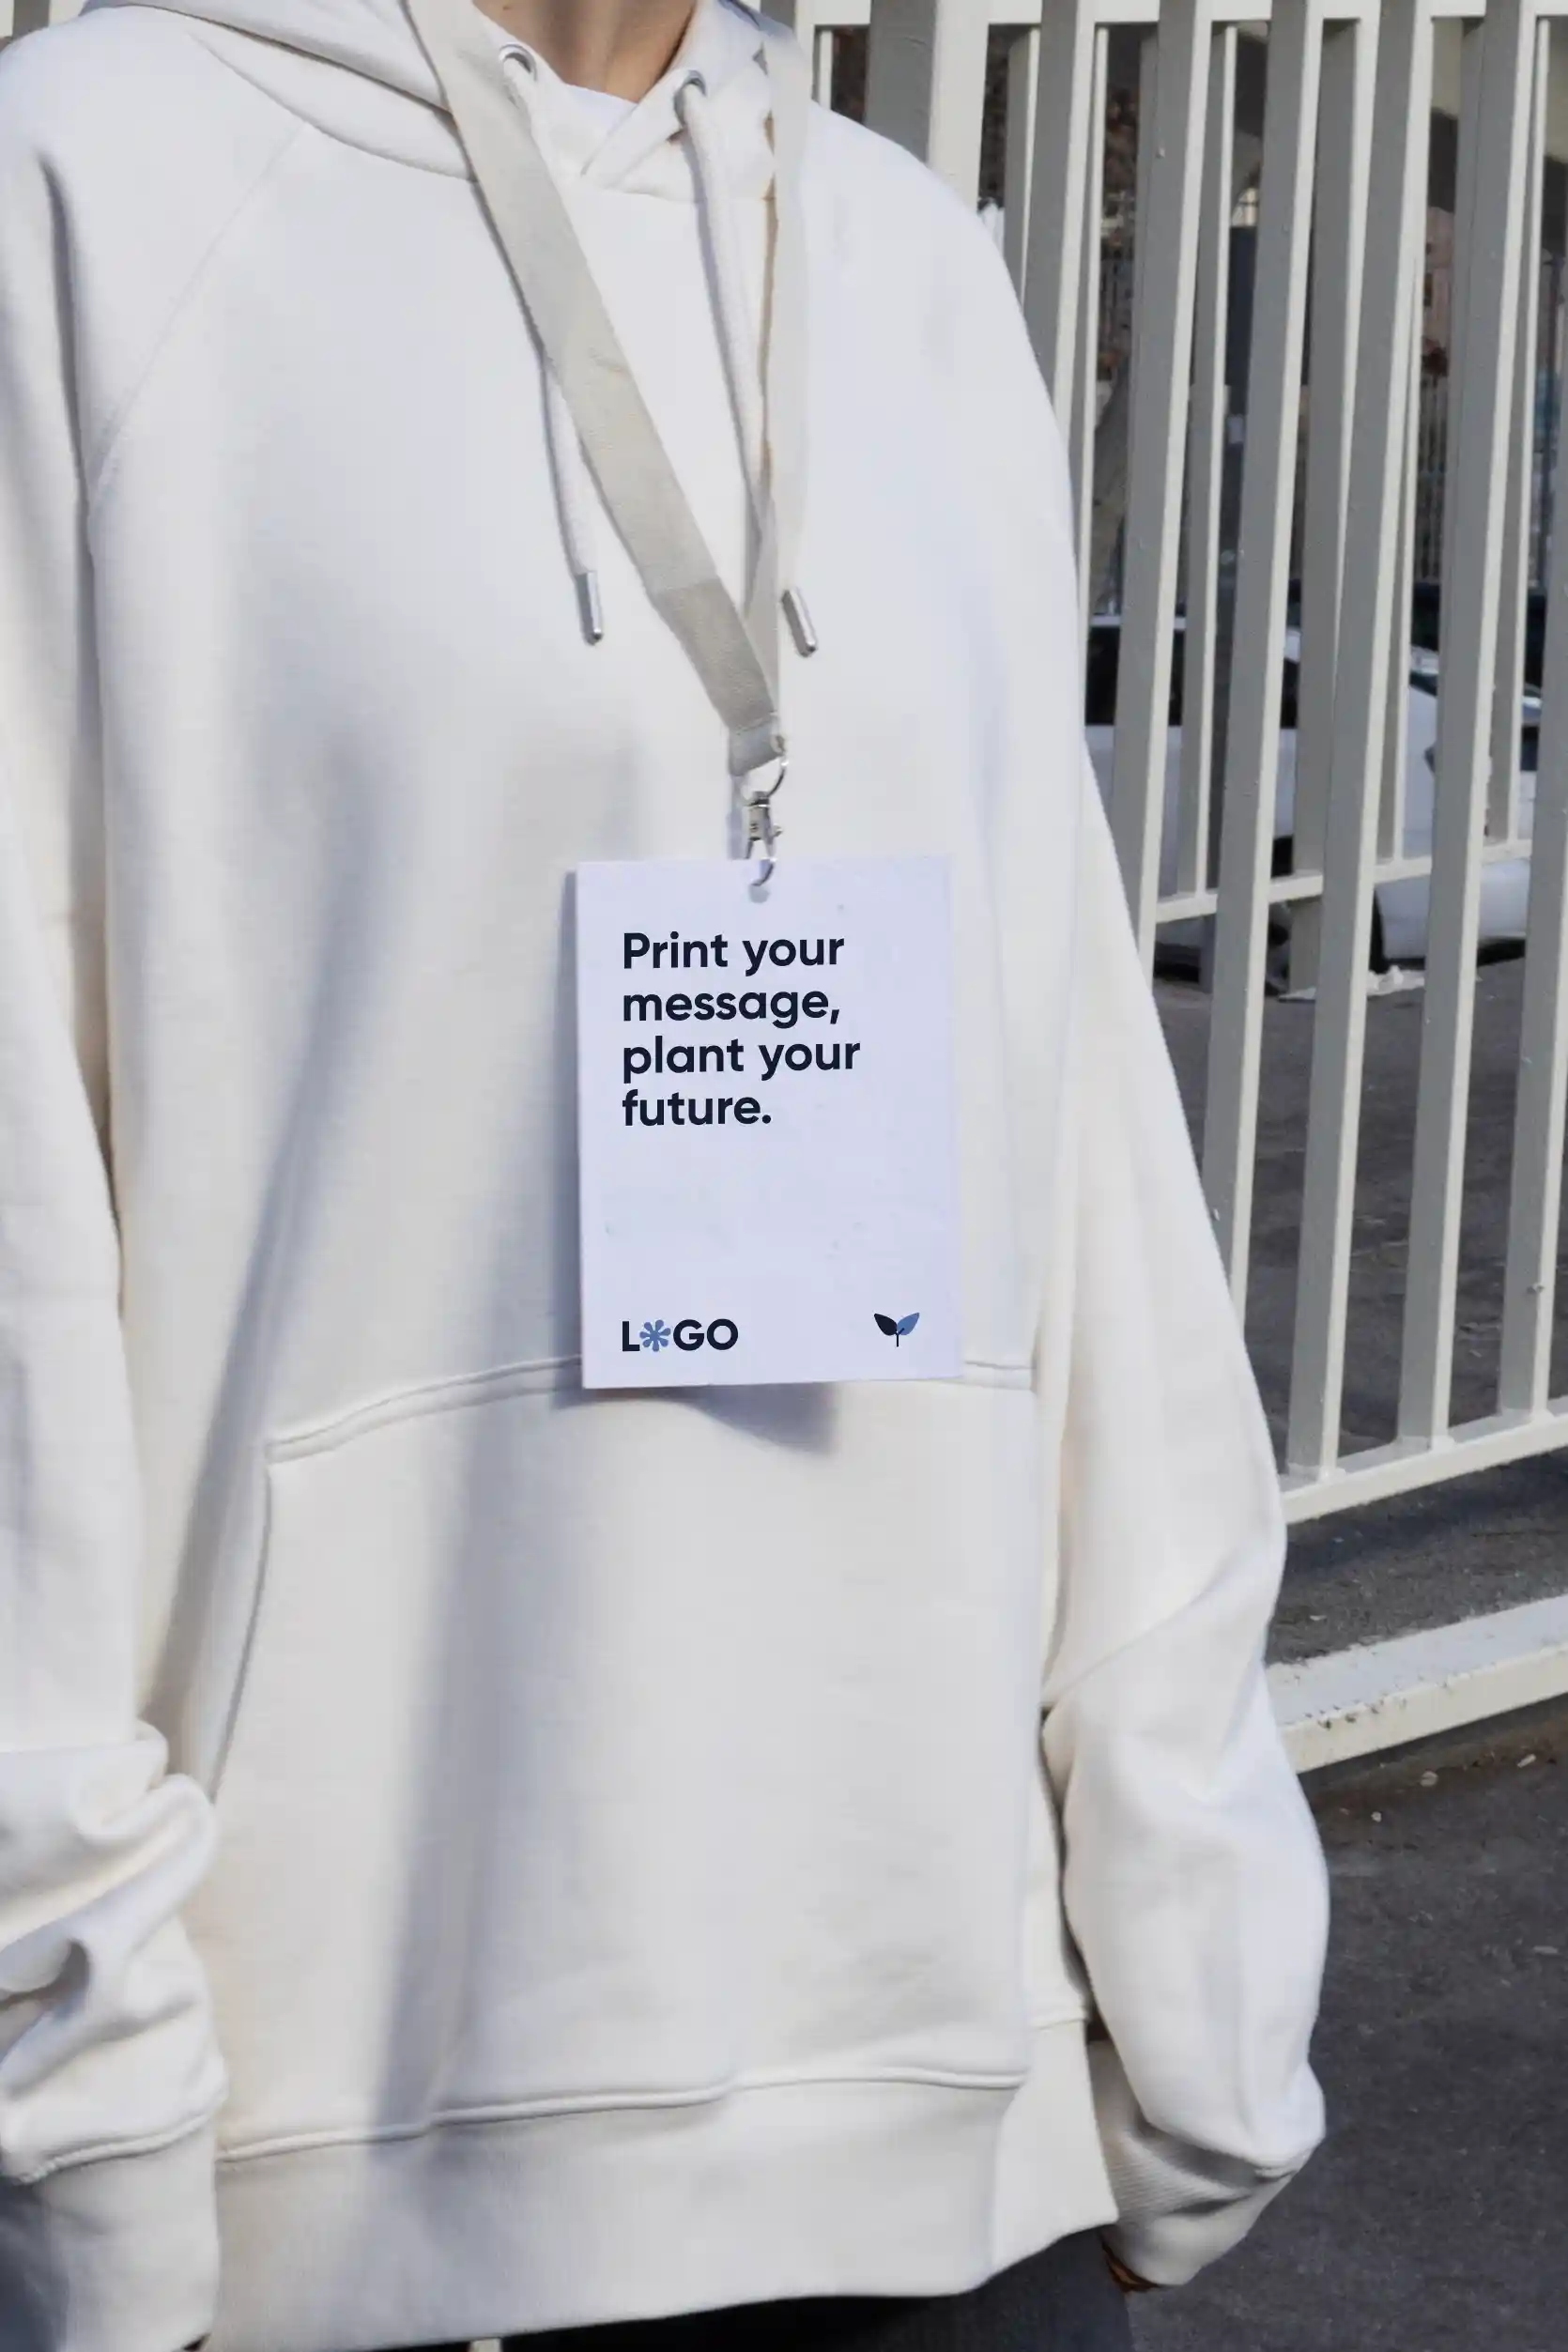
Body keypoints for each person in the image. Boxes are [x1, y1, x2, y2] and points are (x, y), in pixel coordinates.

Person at [0, 0, 1329, 2347]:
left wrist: (1188, 1970)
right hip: (326, 2175)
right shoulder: (82, 187)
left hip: (955, 2137)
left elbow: (1085, 1157)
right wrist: (80, 2103)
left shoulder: (903, 262)